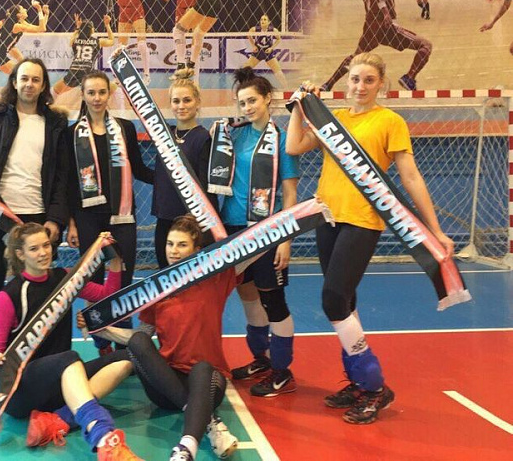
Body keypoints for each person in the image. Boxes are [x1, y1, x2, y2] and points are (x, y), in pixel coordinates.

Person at [286, 52, 455, 424]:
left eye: (368, 80)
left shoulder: (389, 121)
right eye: (354, 79)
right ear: (346, 81)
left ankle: (375, 387)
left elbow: (410, 176)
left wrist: (435, 228)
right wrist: (299, 106)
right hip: (327, 217)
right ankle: (358, 382)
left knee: (332, 298)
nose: (360, 86)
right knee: (346, 300)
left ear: (381, 84)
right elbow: (294, 147)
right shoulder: (334, 120)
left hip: (363, 221)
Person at [0, 223, 143, 459]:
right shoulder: (8, 296)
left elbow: (105, 294)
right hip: (23, 392)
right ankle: (103, 437)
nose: (43, 253)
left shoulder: (64, 278)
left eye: (46, 245)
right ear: (20, 254)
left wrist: (115, 263)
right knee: (69, 358)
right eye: (34, 249)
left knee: (126, 358)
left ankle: (57, 419)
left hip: (60, 384)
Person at [0, 58, 70, 391]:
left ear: (44, 86)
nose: (29, 84)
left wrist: (55, 218)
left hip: (38, 217)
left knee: (41, 291)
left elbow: (61, 177)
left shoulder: (56, 124)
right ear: (14, 82)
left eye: (36, 80)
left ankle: (38, 358)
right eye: (24, 78)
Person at [127, 216, 241, 461]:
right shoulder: (157, 288)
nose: (174, 251)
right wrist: (100, 329)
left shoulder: (216, 279)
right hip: (166, 387)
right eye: (170, 244)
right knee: (137, 341)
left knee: (203, 368)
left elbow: (252, 248)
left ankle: (186, 448)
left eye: (182, 245)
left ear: (197, 250)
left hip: (207, 385)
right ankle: (208, 421)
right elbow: (143, 338)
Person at [217, 68, 300, 397]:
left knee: (273, 300)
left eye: (252, 100)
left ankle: (282, 371)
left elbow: (290, 194)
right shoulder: (234, 135)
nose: (247, 107)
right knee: (248, 298)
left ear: (267, 99)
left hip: (266, 232)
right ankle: (261, 360)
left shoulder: (282, 139)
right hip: (234, 230)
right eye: (242, 103)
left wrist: (286, 239)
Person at [66, 71, 154, 354]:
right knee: (93, 282)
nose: (97, 98)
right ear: (83, 95)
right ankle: (103, 345)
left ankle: (124, 346)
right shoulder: (72, 133)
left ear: (109, 94)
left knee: (124, 281)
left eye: (101, 92)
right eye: (91, 93)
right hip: (87, 217)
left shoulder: (125, 128)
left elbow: (139, 169)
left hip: (122, 215)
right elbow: (68, 182)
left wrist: (172, 176)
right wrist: (71, 223)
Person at [320, 0, 432, 92]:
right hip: (386, 26)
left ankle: (328, 84)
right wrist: (385, 10)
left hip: (370, 26)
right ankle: (409, 77)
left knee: (355, 57)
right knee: (425, 46)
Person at [151, 78, 215, 268]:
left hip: (191, 222)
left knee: (192, 279)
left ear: (197, 102)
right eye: (176, 101)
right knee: (165, 277)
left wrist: (196, 222)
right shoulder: (164, 135)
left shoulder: (203, 138)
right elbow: (159, 175)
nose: (181, 106)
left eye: (187, 100)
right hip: (164, 219)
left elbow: (206, 186)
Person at [0, 0, 50, 104]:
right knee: (20, 75)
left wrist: (46, 14)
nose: (25, 9)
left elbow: (41, 29)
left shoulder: (19, 23)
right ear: (19, 15)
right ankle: (4, 100)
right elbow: (41, 28)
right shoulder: (17, 26)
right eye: (23, 9)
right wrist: (39, 9)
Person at [52, 13, 115, 100]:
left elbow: (70, 42)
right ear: (92, 30)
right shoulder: (98, 41)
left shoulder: (75, 40)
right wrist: (107, 25)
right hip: (88, 71)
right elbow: (112, 41)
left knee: (55, 90)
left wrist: (77, 28)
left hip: (74, 70)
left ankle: (45, 104)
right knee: (111, 88)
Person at [244, 14, 288, 88]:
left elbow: (278, 39)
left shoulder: (273, 30)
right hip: (258, 52)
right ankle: (243, 87)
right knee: (245, 69)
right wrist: (253, 46)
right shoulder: (255, 29)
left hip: (268, 52)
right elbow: (248, 34)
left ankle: (287, 88)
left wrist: (272, 48)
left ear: (269, 22)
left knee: (278, 72)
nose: (262, 21)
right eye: (261, 19)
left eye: (265, 19)